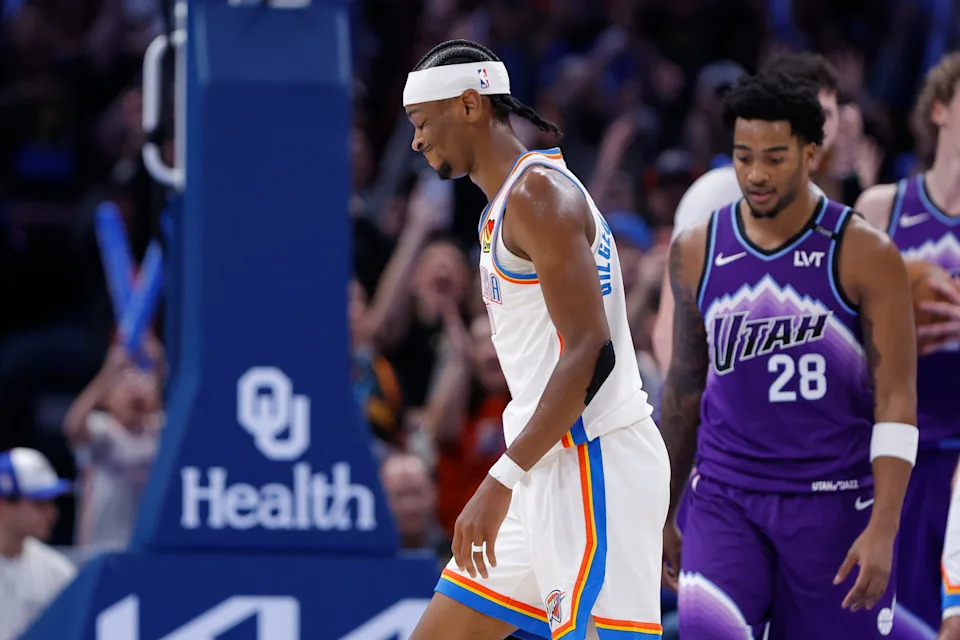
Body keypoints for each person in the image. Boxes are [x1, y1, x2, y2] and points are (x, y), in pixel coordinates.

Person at [402, 39, 670, 640]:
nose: (417, 141)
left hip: (594, 460)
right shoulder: (506, 205)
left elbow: (590, 351)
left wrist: (500, 478)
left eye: (423, 123)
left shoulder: (538, 195)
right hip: (543, 467)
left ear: (470, 105)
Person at [661, 70, 919, 637]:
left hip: (834, 506)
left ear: (811, 153)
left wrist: (885, 525)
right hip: (725, 500)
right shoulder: (697, 250)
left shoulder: (866, 255)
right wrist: (662, 509)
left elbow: (897, 398)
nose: (755, 174)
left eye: (775, 158)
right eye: (743, 156)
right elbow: (682, 387)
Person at [855, 51, 960, 630]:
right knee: (892, 618)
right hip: (899, 448)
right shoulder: (883, 207)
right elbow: (840, 329)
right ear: (940, 109)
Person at [652, 53, 840, 374]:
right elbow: (670, 327)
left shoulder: (827, 214)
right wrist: (691, 414)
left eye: (828, 115)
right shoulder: (714, 194)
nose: (820, 129)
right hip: (717, 406)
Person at [0, 448, 77, 640]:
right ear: (4, 505)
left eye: (52, 503)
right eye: (40, 504)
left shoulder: (58, 571)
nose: (52, 514)